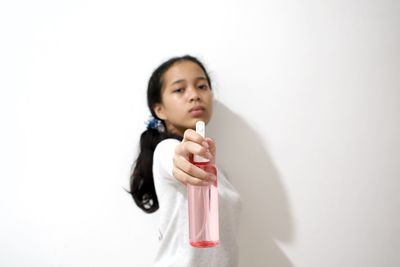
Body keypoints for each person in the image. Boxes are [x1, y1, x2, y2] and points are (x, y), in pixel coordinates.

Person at [129, 55, 242, 267]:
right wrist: (181, 157)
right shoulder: (167, 149)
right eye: (179, 89)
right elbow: (174, 158)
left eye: (201, 86)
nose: (194, 95)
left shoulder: (220, 173)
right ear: (159, 109)